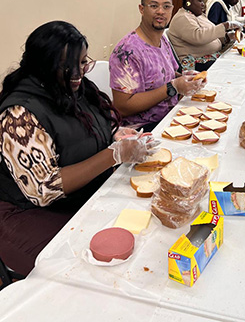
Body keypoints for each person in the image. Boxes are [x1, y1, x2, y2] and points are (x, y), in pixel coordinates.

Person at [0, 21, 158, 276]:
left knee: (139, 233)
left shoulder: (75, 88)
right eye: (68, 66)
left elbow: (86, 131)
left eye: (84, 62)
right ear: (43, 65)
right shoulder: (20, 115)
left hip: (79, 193)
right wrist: (113, 154)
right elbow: (44, 189)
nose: (79, 72)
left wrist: (114, 134)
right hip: (28, 210)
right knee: (85, 267)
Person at [109, 0, 203, 131]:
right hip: (142, 130)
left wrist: (186, 78)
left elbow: (168, 74)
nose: (161, 12)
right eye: (154, 6)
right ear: (141, 9)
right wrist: (174, 87)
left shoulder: (162, 39)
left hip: (170, 116)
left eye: (166, 7)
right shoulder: (127, 51)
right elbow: (122, 106)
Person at [167, 0, 241, 72]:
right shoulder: (182, 17)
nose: (203, 4)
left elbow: (211, 33)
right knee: (229, 67)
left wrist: (228, 37)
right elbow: (199, 37)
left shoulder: (198, 15)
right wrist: (226, 26)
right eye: (200, 1)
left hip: (209, 56)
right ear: (189, 1)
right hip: (194, 61)